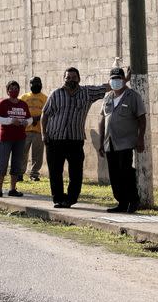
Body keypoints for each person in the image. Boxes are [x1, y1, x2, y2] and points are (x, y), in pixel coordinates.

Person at [42, 67, 119, 208]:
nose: (71, 80)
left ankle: (70, 199)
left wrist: (122, 80)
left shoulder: (87, 93)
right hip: (54, 139)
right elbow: (45, 114)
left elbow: (104, 87)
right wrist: (44, 134)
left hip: (75, 140)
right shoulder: (55, 94)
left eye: (73, 77)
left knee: (76, 172)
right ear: (64, 79)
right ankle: (58, 199)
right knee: (55, 172)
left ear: (79, 79)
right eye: (68, 78)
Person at [97, 68, 147, 213]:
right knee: (114, 174)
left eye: (118, 78)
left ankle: (133, 200)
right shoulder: (108, 97)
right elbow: (102, 120)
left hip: (126, 142)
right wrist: (101, 142)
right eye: (113, 78)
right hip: (109, 142)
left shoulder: (133, 96)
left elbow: (141, 119)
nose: (115, 81)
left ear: (124, 79)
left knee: (126, 173)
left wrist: (140, 138)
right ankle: (121, 202)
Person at [0, 81, 31, 198]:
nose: (14, 91)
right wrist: (10, 121)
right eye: (11, 89)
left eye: (16, 88)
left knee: (16, 164)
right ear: (7, 91)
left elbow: (30, 119)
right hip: (6, 138)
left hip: (20, 138)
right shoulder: (3, 103)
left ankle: (13, 189)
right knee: (2, 163)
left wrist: (25, 122)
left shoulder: (23, 104)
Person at [20, 76, 47, 181]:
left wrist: (38, 118)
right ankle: (20, 173)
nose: (35, 85)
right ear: (29, 85)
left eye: (38, 83)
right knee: (22, 153)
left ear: (41, 84)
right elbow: (19, 111)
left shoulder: (45, 98)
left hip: (39, 131)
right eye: (33, 83)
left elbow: (48, 113)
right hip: (24, 131)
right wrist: (29, 119)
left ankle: (34, 174)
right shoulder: (23, 97)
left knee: (37, 154)